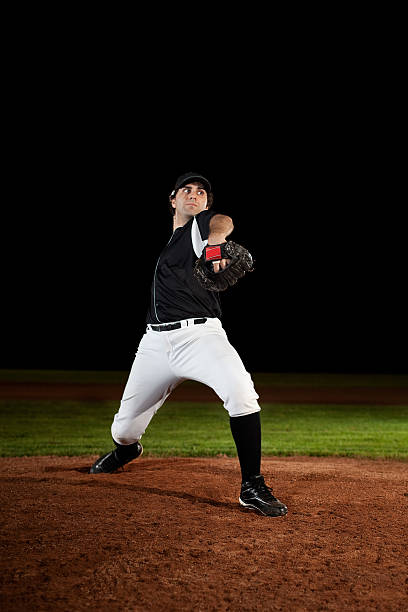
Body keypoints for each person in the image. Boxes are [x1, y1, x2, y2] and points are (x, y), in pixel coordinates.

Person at [90, 172, 287, 517]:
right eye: (186, 190)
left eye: (201, 192)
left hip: (200, 337)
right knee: (123, 430)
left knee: (241, 392)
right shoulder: (172, 242)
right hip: (154, 344)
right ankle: (125, 451)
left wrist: (215, 243)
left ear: (205, 203)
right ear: (172, 200)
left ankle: (251, 485)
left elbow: (223, 222)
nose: (194, 195)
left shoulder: (200, 229)